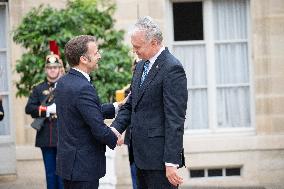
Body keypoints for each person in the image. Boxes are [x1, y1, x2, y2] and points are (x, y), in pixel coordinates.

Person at [111, 16, 188, 189]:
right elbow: (131, 104)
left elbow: (175, 119)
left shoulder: (172, 68)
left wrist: (171, 162)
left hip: (159, 160)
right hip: (139, 156)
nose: (134, 51)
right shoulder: (140, 66)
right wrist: (115, 129)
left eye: (137, 47)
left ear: (154, 43)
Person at [55, 35, 120, 189]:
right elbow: (98, 128)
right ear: (84, 59)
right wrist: (115, 136)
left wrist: (117, 106)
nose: (99, 56)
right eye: (96, 52)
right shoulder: (83, 87)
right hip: (83, 168)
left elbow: (82, 113)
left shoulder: (64, 82)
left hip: (69, 165)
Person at [25, 53, 64, 189]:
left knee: (62, 174)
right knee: (50, 174)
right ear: (45, 69)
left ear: (60, 68)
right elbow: (29, 108)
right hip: (46, 136)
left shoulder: (65, 86)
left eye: (55, 67)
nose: (52, 70)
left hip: (63, 135)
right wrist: (47, 110)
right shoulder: (38, 88)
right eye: (49, 67)